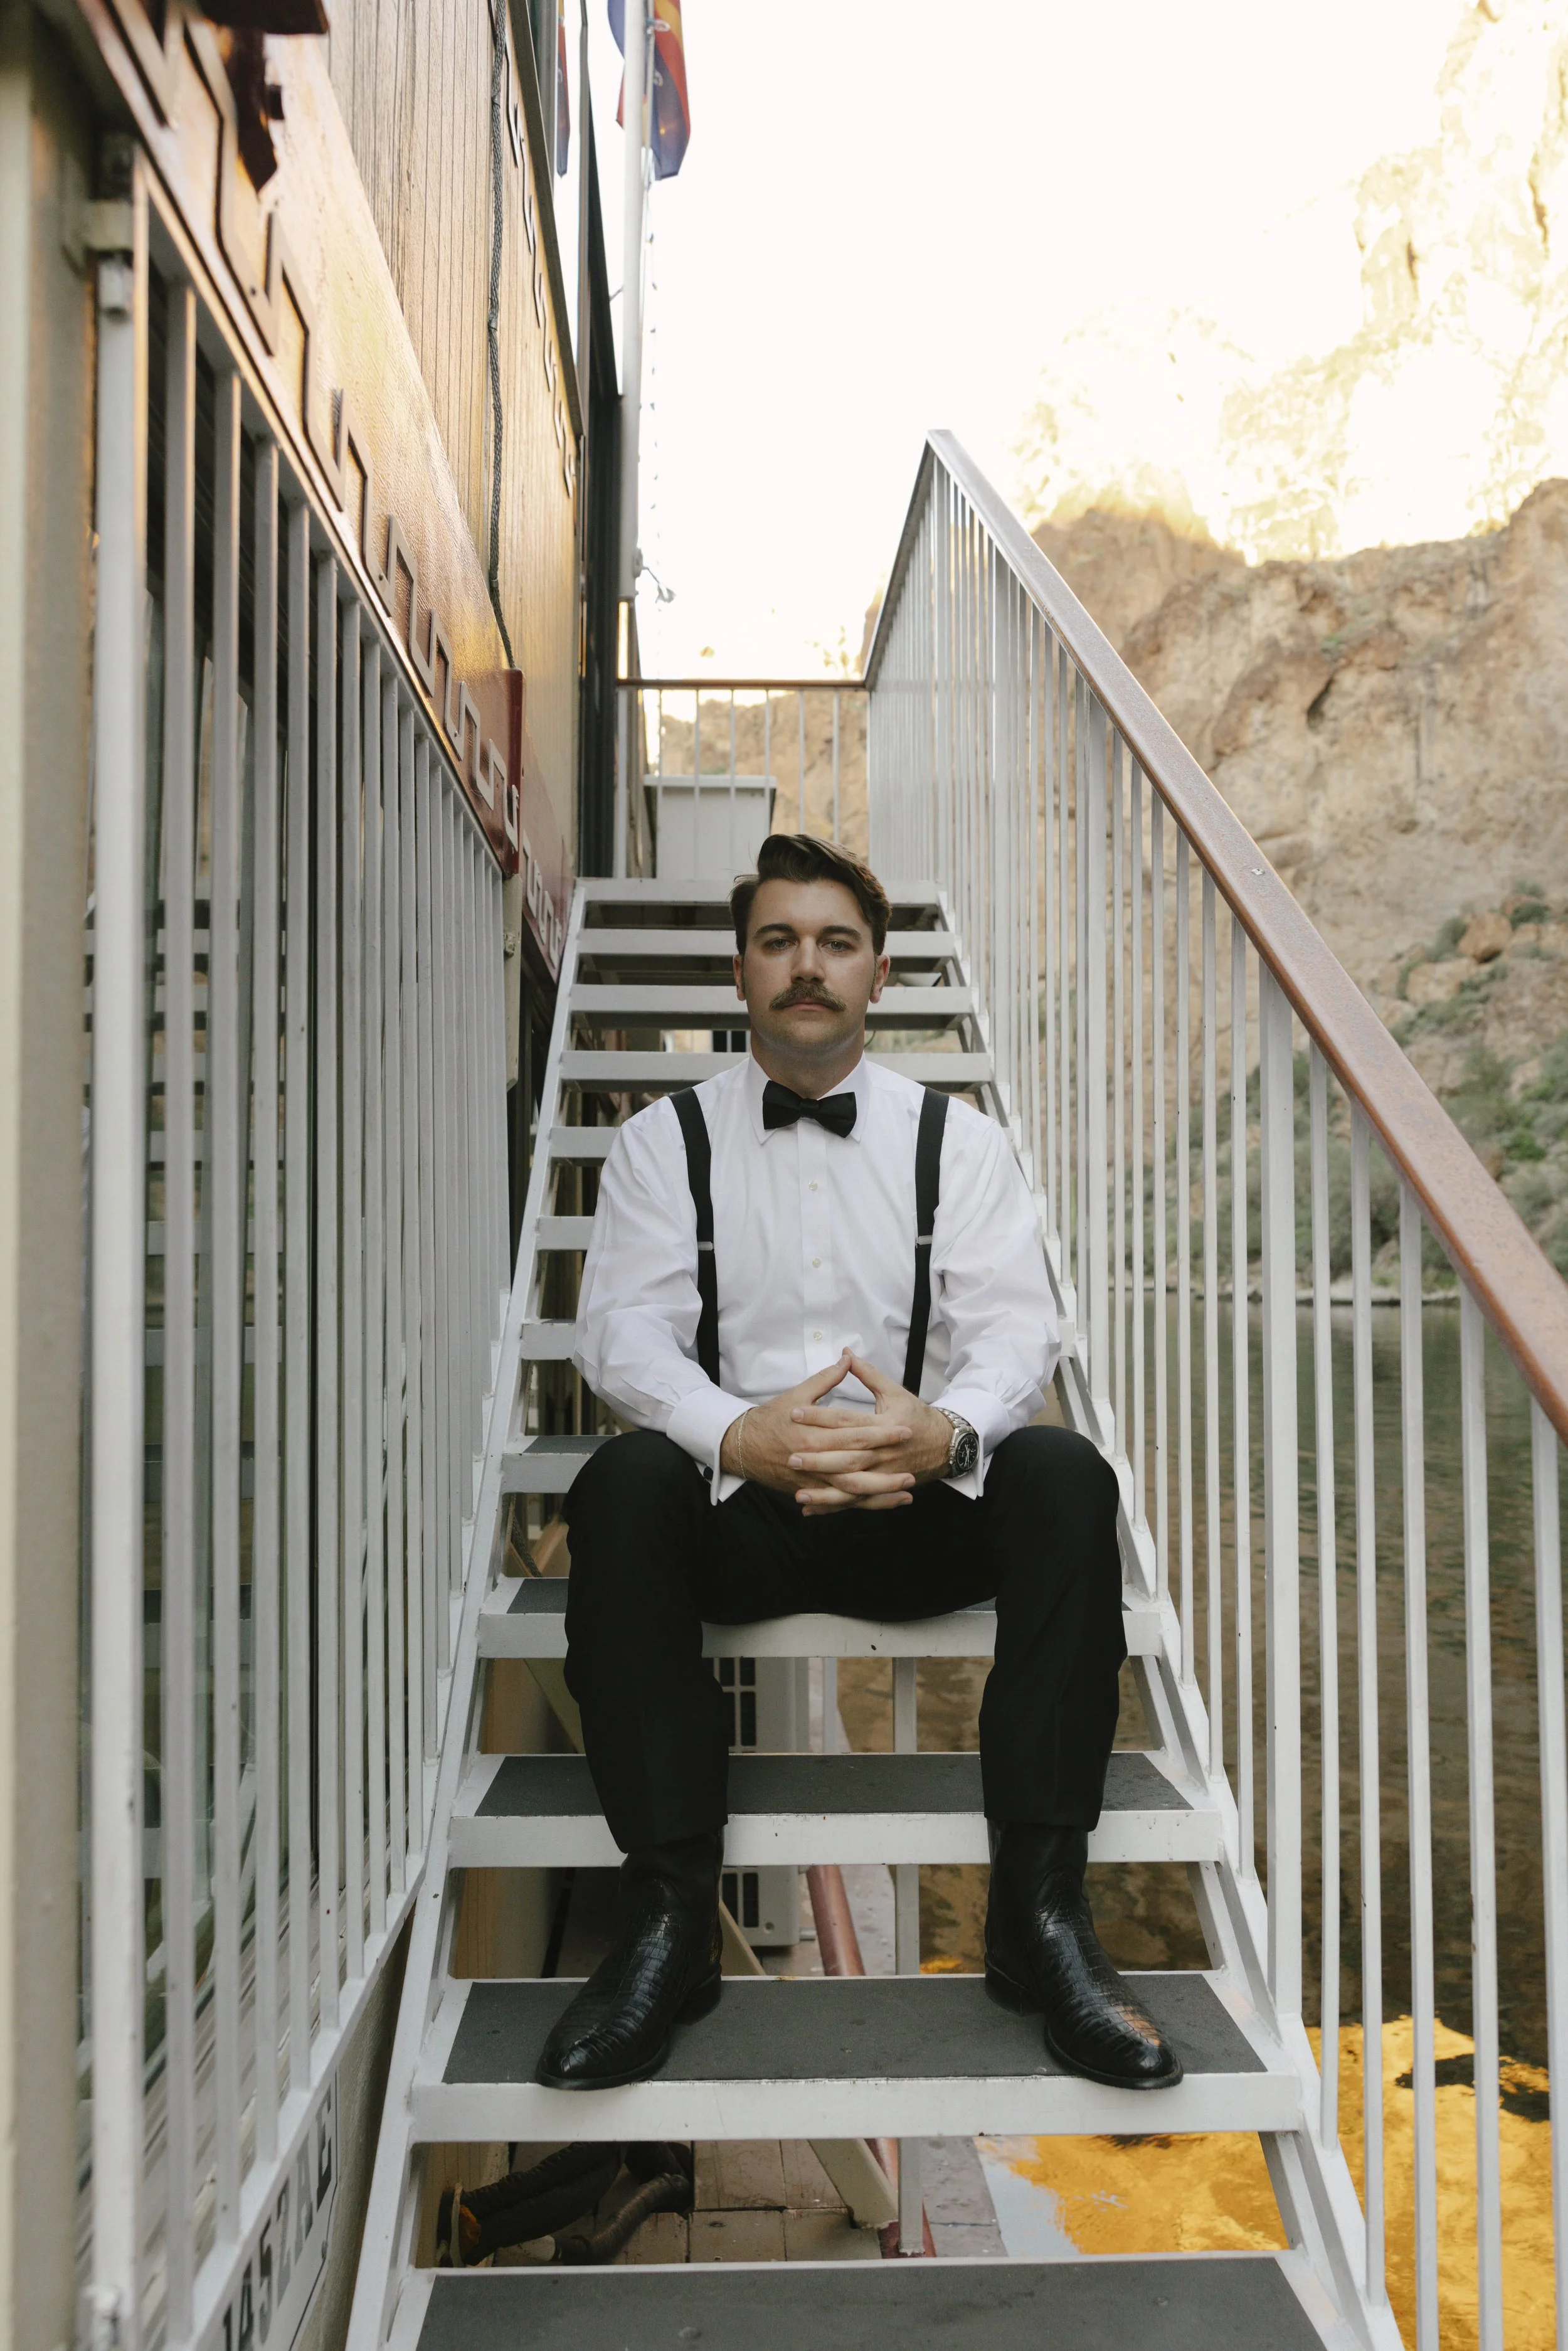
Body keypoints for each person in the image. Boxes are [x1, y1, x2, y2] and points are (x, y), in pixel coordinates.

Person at [540, 832, 1181, 2096]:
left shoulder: (961, 1144)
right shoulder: (662, 1143)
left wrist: (943, 1433)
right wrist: (737, 1434)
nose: (806, 965)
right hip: (740, 1514)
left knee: (1063, 1474)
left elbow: (1016, 1333)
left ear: (877, 974)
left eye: (835, 943)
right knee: (620, 1486)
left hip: (910, 1508)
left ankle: (1039, 1918)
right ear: (741, 970)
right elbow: (619, 1335)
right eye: (778, 940)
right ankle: (668, 1921)